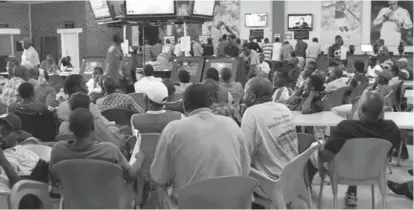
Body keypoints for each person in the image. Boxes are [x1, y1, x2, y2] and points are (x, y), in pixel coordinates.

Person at [150, 84, 250, 205]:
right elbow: (245, 171)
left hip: (191, 205)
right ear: (210, 103)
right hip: (230, 204)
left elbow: (159, 177)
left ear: (183, 105)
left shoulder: (173, 130)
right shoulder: (232, 125)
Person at [318, 91, 402, 207]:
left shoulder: (344, 128)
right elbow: (388, 154)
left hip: (343, 173)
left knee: (314, 153)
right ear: (381, 111)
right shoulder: (392, 129)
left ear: (361, 110)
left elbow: (326, 156)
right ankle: (352, 191)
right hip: (374, 172)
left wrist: (319, 148)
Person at [50, 108, 142, 207]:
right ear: (93, 127)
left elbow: (53, 180)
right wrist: (140, 158)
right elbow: (130, 176)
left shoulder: (58, 150)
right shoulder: (109, 150)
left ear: (70, 128)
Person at [241, 77, 298, 181]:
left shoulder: (252, 113)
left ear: (252, 97)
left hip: (272, 183)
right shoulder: (283, 108)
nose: (243, 97)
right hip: (294, 177)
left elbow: (244, 156)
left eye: (245, 93)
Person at [57, 75, 122, 148]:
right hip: (96, 148)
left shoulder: (61, 107)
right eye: (84, 84)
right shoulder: (89, 107)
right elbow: (105, 132)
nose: (87, 86)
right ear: (77, 88)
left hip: (70, 149)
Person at [0, 113, 41, 193]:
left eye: (6, 131)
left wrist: (3, 161)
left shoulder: (25, 154)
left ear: (18, 134)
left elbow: (23, 189)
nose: (0, 135)